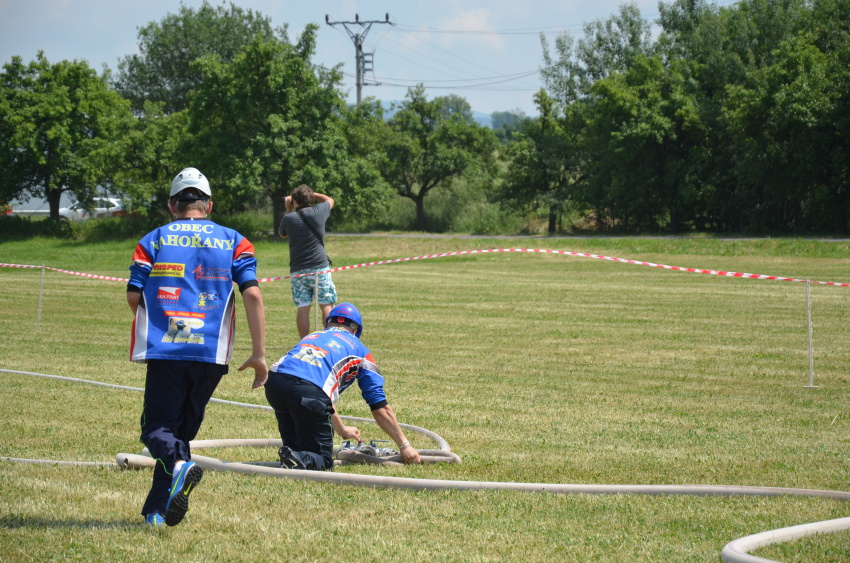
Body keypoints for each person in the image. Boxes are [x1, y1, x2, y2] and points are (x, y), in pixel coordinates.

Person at [126, 167, 268, 527]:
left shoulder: (153, 239)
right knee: (178, 435)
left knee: (156, 429)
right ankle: (156, 512)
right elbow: (252, 294)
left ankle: (178, 467)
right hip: (211, 353)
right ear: (209, 205)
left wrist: (159, 320)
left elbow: (133, 295)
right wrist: (259, 354)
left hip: (168, 350)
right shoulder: (235, 240)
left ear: (172, 205)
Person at [264, 302, 422, 471]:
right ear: (356, 330)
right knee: (323, 461)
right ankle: (301, 459)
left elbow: (322, 393)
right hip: (308, 392)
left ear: (328, 322)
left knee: (297, 450)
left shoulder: (314, 336)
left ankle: (293, 456)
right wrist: (405, 445)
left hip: (275, 383)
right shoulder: (361, 351)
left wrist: (342, 429)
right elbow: (379, 405)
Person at [278, 184, 337, 338]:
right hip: (320, 267)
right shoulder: (319, 211)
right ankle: (328, 339)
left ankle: (304, 342)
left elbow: (282, 234)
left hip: (298, 270)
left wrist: (288, 208)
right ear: (310, 199)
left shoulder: (288, 218)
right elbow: (330, 200)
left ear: (295, 200)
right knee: (326, 305)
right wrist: (311, 193)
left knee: (303, 308)